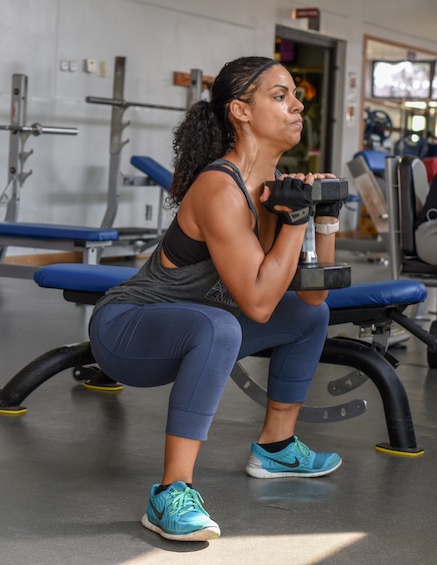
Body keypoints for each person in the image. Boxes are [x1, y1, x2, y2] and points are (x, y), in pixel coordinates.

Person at [88, 56, 343, 542]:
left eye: (296, 96)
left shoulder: (274, 187)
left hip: (200, 324)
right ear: (241, 112)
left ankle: (276, 446)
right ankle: (170, 494)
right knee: (219, 325)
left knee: (309, 317)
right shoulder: (219, 188)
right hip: (128, 329)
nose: (297, 105)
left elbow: (312, 298)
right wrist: (294, 221)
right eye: (280, 95)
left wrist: (322, 218)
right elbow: (258, 304)